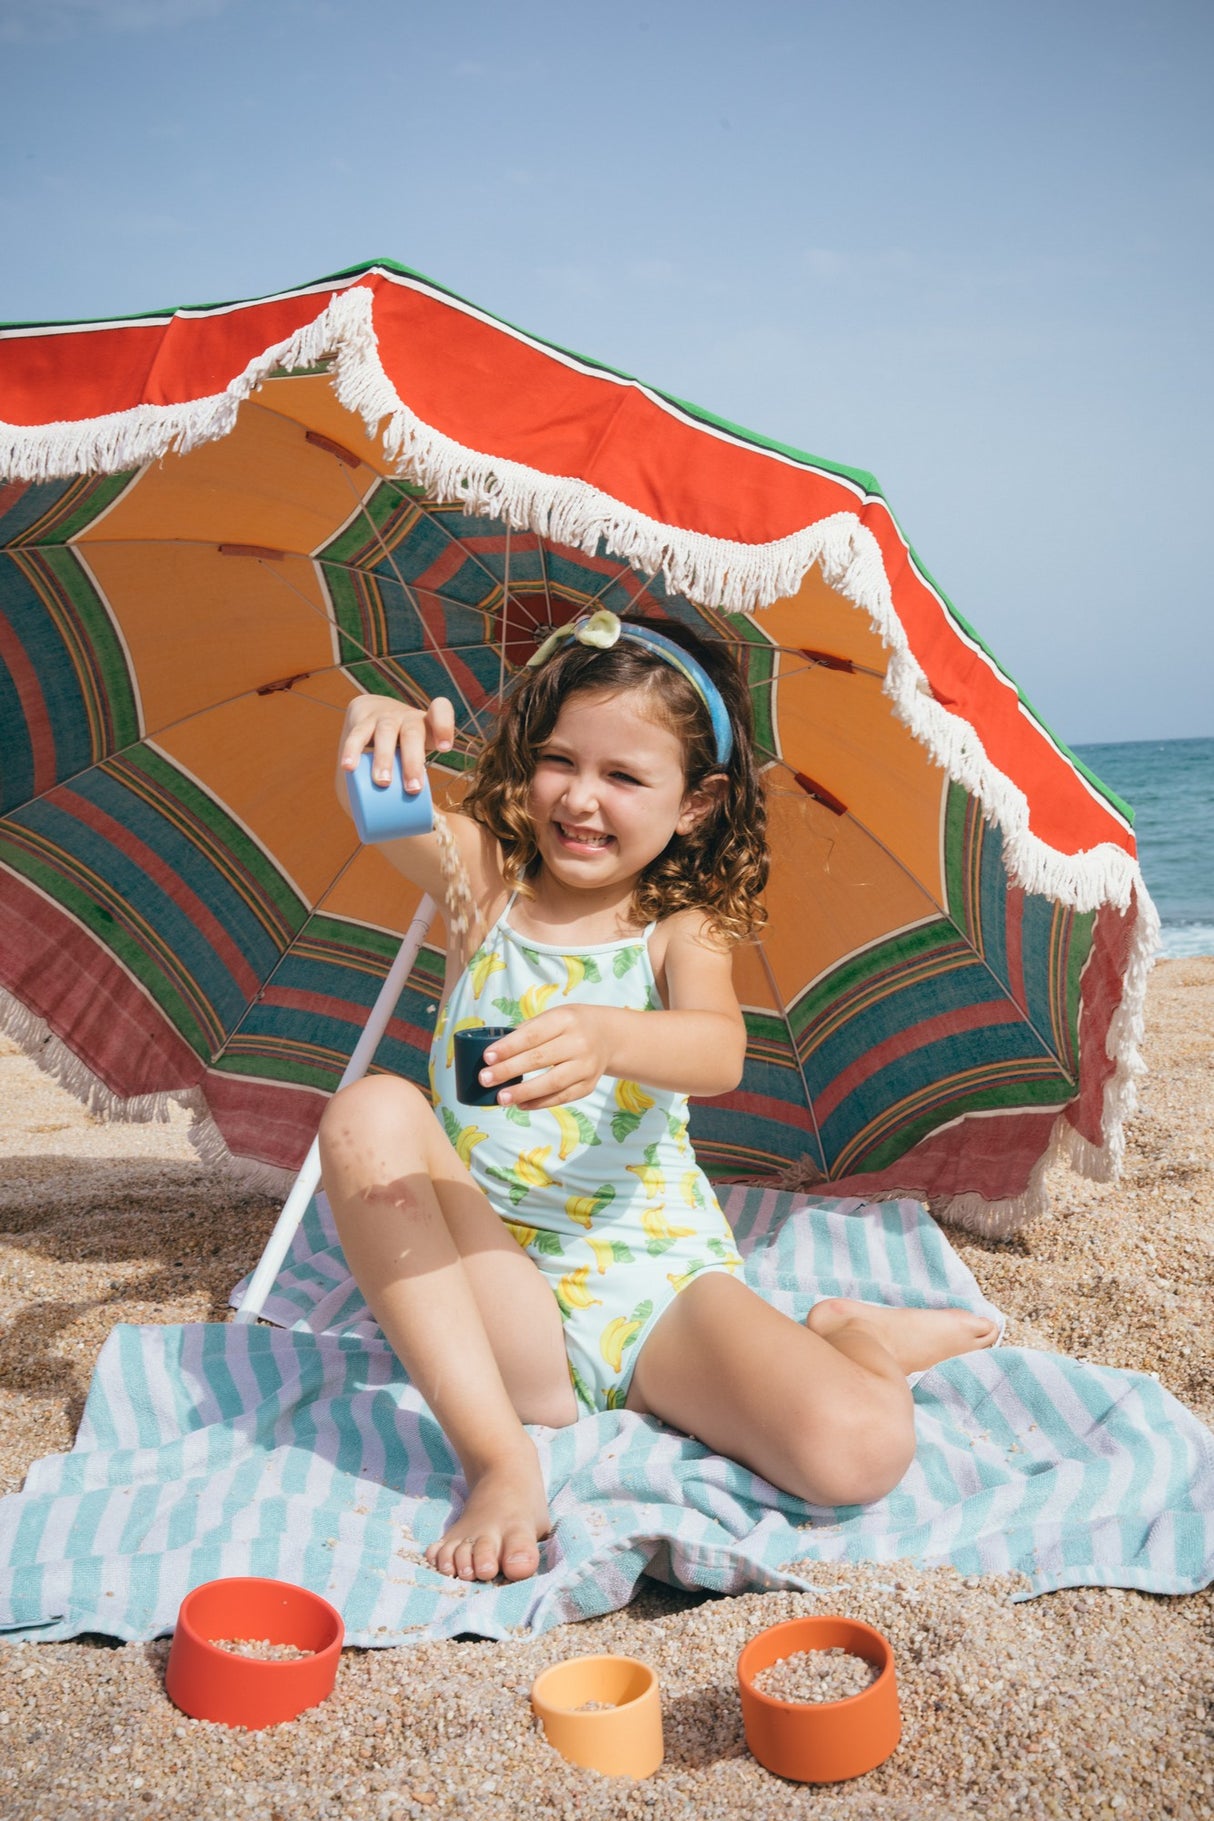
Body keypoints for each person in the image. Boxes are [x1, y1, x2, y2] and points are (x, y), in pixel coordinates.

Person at [320, 610, 998, 1587]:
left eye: (624, 776)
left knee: (854, 1452)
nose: (580, 800)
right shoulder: (483, 882)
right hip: (502, 1281)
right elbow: (381, 806)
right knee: (368, 1111)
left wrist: (610, 1037)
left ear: (694, 802)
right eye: (559, 761)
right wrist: (373, 723)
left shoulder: (675, 927)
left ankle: (853, 1334)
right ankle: (499, 1464)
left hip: (653, 1285)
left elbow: (717, 1049)